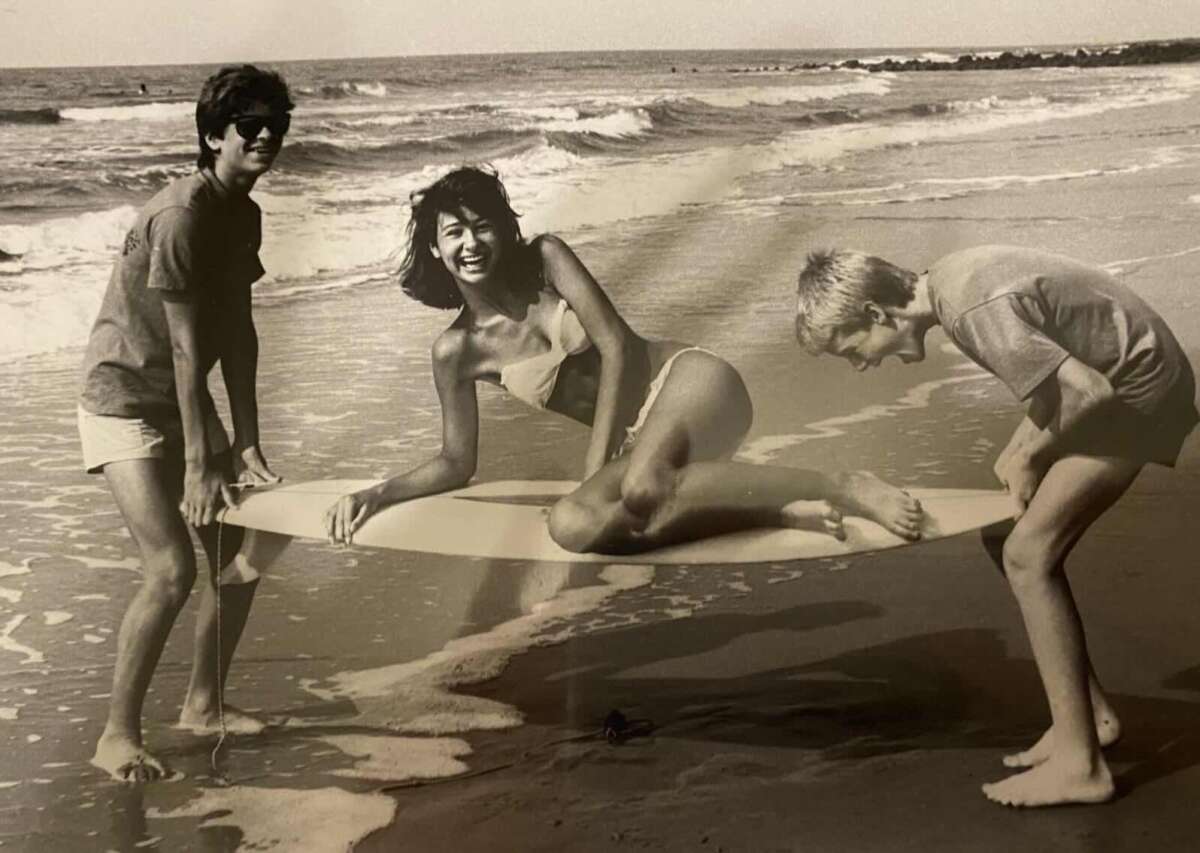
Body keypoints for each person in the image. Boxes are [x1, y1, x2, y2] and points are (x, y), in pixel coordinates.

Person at [323, 166, 922, 556]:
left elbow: (614, 346)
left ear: (502, 232)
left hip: (692, 382)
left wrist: (595, 472)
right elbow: (457, 462)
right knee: (571, 525)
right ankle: (777, 511)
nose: (470, 243)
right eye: (454, 233)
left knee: (637, 488)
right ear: (435, 248)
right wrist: (379, 493)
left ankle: (840, 484)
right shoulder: (456, 351)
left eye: (481, 227)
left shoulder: (546, 260)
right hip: (643, 448)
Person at [794, 245, 1198, 807]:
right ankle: (1089, 719)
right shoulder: (951, 286)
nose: (861, 365)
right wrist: (1020, 447)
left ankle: (1081, 766)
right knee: (1004, 533)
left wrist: (1031, 455)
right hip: (1127, 375)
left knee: (1028, 557)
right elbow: (1059, 384)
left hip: (1138, 390)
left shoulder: (969, 310)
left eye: (852, 351)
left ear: (876, 314)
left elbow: (1090, 393)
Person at [77, 65, 295, 782]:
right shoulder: (180, 216)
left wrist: (248, 440)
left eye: (275, 125)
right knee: (171, 569)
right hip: (124, 401)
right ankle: (116, 735)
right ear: (212, 137)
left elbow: (238, 334)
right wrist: (201, 463)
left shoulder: (244, 214)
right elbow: (183, 349)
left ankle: (204, 704)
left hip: (180, 399)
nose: (266, 137)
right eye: (249, 126)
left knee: (242, 554)